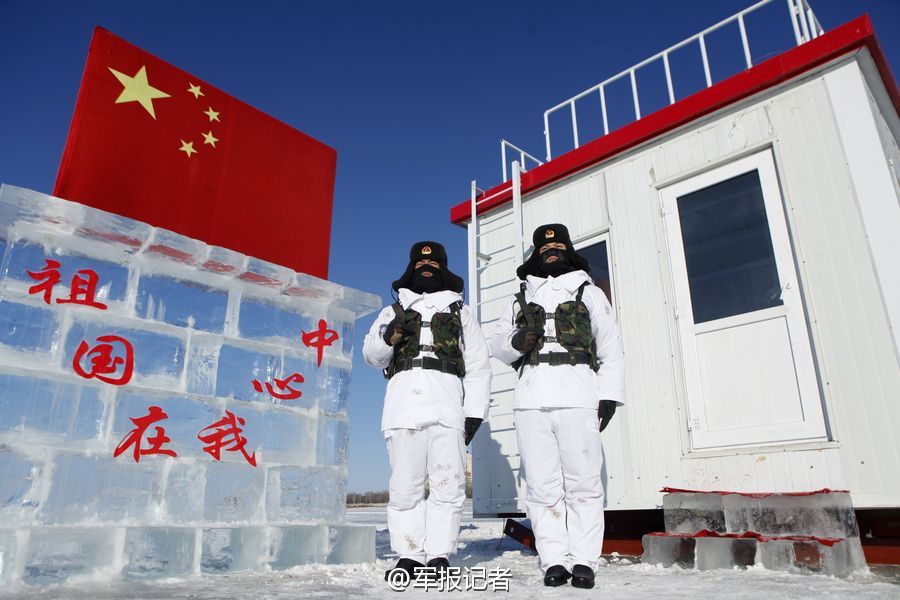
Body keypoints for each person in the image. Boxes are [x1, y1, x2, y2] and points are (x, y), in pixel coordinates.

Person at [490, 224, 625, 589]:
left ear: (568, 250)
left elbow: (610, 345)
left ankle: (583, 559)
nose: (551, 250)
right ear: (535, 254)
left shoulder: (589, 292)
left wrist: (609, 394)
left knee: (583, 483)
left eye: (558, 244)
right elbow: (497, 344)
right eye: (544, 246)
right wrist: (517, 341)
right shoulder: (519, 297)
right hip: (531, 397)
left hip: (579, 392)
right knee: (541, 485)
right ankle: (554, 559)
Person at [364, 241, 491, 586]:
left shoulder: (460, 311)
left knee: (448, 486)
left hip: (447, 406)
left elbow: (479, 366)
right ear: (411, 268)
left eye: (434, 263)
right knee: (404, 487)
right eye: (421, 263)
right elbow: (372, 356)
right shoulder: (393, 312)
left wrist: (474, 412)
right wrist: (387, 339)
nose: (427, 267)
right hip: (402, 407)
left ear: (443, 268)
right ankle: (408, 554)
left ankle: (438, 554)